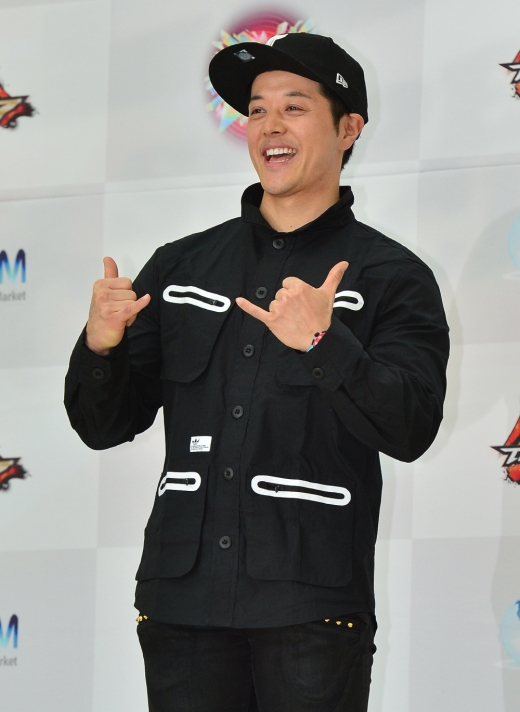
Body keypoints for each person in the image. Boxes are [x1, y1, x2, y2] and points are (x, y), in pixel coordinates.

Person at [65, 32, 449, 712]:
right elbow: (104, 425)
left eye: (295, 107)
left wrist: (324, 343)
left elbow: (411, 427)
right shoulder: (181, 266)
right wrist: (100, 348)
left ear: (348, 128)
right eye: (258, 109)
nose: (270, 125)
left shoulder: (393, 276)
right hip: (182, 605)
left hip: (311, 609)